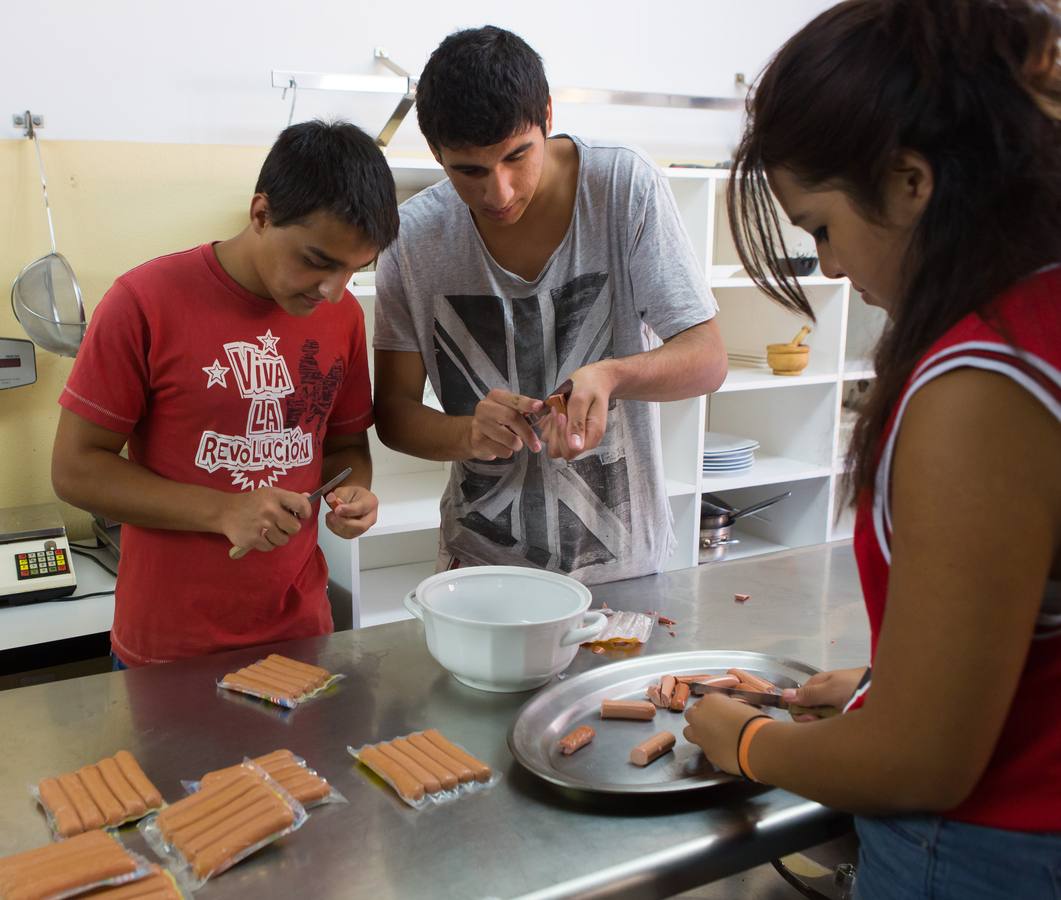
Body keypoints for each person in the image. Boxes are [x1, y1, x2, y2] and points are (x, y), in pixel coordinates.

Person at [682, 1, 1061, 896]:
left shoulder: (981, 386)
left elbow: (922, 763)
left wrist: (743, 740)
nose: (832, 267)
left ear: (907, 182)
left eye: (819, 227)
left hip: (985, 853)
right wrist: (899, 679)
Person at [372, 26, 727, 583]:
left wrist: (612, 375)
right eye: (469, 171)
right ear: (435, 151)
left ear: (548, 116)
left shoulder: (622, 186)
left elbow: (708, 358)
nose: (500, 192)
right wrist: (467, 433)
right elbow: (393, 414)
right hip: (479, 568)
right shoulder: (412, 239)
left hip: (623, 564)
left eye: (518, 157)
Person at [51, 120, 399, 666]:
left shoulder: (343, 318)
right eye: (317, 261)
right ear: (261, 214)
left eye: (355, 270)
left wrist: (351, 494)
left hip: (301, 631)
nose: (333, 290)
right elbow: (75, 469)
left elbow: (347, 447)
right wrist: (222, 511)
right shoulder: (143, 303)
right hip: (171, 644)